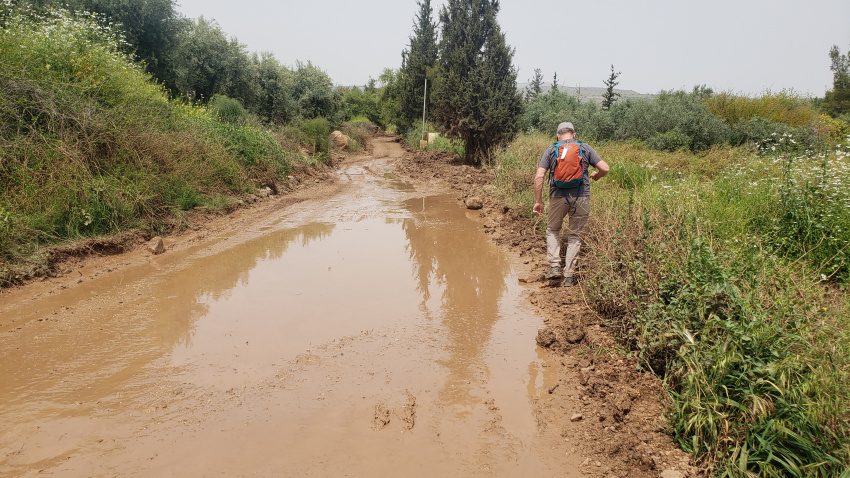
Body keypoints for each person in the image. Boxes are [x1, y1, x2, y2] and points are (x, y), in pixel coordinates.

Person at [533, 122, 609, 286]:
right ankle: (569, 276)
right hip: (581, 196)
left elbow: (539, 176)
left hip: (557, 196)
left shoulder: (551, 149)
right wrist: (597, 175)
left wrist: (538, 202)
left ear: (558, 135)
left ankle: (555, 267)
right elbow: (605, 168)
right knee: (574, 235)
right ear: (574, 135)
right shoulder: (585, 148)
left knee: (553, 230)